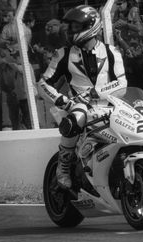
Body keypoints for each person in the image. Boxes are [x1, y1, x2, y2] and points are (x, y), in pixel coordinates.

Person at [37, 5, 127, 189]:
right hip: (80, 107)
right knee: (76, 117)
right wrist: (62, 100)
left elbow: (122, 84)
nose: (70, 31)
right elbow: (43, 83)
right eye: (70, 27)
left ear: (91, 25)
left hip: (111, 105)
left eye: (75, 27)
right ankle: (63, 166)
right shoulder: (63, 54)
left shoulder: (112, 52)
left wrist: (98, 92)